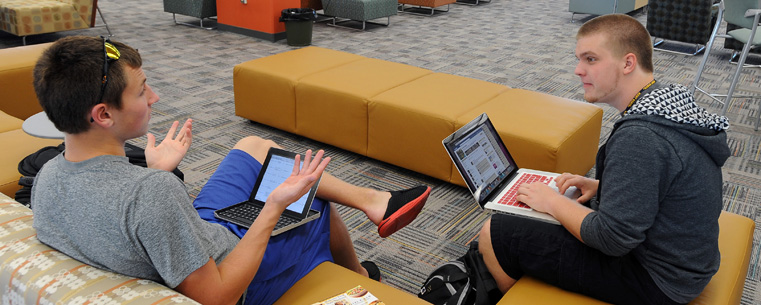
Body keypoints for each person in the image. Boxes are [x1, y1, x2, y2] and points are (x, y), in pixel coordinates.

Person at [30, 36, 432, 305]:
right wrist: (274, 207)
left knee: (253, 146)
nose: (155, 96)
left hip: (193, 233)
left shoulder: (47, 179)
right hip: (231, 274)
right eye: (141, 90)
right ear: (102, 114)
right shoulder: (149, 193)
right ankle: (362, 274)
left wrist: (159, 172)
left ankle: (376, 202)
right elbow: (216, 297)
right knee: (313, 205)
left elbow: (127, 225)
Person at [477, 14, 731, 305]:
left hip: (658, 281)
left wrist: (551, 201)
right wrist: (604, 186)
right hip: (687, 265)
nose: (577, 70)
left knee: (495, 232)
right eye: (578, 59)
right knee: (552, 215)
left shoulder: (642, 136)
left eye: (591, 59)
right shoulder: (666, 101)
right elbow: (666, 178)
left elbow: (612, 239)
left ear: (627, 63)